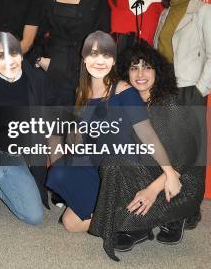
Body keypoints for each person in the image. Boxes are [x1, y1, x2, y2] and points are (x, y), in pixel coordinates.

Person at [46, 31, 181, 234]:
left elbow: (147, 135)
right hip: (94, 167)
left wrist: (169, 172)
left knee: (71, 213)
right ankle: (125, 220)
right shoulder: (80, 93)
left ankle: (127, 219)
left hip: (120, 171)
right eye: (93, 54)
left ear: (113, 60)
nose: (100, 61)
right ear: (84, 59)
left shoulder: (123, 90)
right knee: (69, 219)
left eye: (106, 55)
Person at [89, 43, 205, 261]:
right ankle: (138, 228)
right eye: (134, 68)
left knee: (149, 197)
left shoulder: (170, 104)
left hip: (178, 180)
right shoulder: (130, 104)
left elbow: (183, 160)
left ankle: (178, 216)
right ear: (126, 73)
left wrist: (151, 190)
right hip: (149, 171)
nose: (140, 74)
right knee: (113, 162)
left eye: (147, 67)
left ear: (157, 72)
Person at [153, 0, 211, 229]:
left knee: (192, 153)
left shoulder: (206, 11)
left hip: (190, 89)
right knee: (170, 151)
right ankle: (172, 201)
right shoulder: (164, 13)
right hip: (164, 90)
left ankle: (191, 209)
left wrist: (199, 90)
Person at [0, 32, 57, 225]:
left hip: (13, 156)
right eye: (2, 55)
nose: (9, 61)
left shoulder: (38, 80)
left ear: (21, 54)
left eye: (13, 53)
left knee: (34, 216)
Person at [32, 0, 110, 105]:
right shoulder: (49, 0)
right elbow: (36, 36)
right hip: (54, 68)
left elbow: (104, 38)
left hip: (87, 70)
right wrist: (41, 60)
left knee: (85, 123)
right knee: (56, 123)